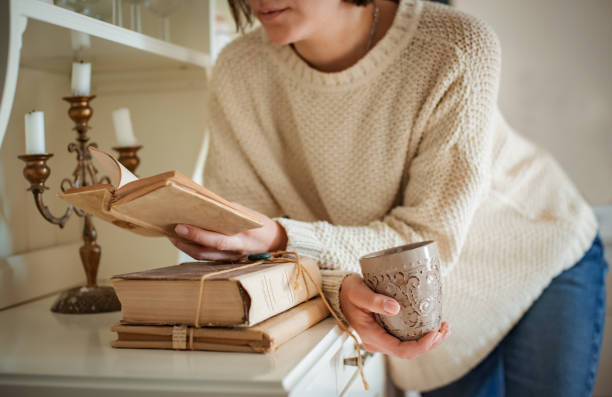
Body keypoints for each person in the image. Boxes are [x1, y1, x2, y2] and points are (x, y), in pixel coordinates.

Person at [169, 0, 608, 395]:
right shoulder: (238, 70)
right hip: (417, 301)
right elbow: (253, 251)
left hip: (534, 252)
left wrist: (282, 237)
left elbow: (426, 238)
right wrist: (333, 284)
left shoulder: (456, 45)